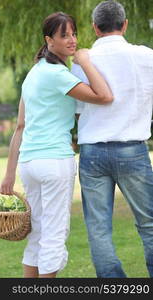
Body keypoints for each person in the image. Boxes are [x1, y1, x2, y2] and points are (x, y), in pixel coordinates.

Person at [0, 11, 113, 278]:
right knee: (53, 235)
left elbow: (20, 126)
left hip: (29, 164)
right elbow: (105, 96)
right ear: (49, 40)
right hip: (53, 163)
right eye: (65, 35)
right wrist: (84, 61)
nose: (72, 40)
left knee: (38, 233)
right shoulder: (57, 75)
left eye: (74, 34)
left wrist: (8, 174)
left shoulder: (34, 74)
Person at [71, 0, 153, 278]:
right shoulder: (146, 56)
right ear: (125, 24)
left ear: (95, 28)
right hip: (133, 150)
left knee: (98, 228)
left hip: (93, 152)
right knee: (149, 225)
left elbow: (80, 112)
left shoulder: (82, 61)